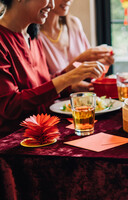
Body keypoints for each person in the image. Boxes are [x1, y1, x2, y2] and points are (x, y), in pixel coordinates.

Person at [0, 0, 105, 138]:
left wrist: (70, 85)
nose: (52, 5)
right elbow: (9, 107)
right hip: (15, 142)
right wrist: (67, 79)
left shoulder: (32, 35)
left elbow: (41, 87)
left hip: (44, 134)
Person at [39, 0, 114, 92]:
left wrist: (101, 63)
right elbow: (41, 87)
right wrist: (80, 60)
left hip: (81, 101)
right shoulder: (35, 37)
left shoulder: (74, 24)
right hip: (55, 104)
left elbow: (87, 73)